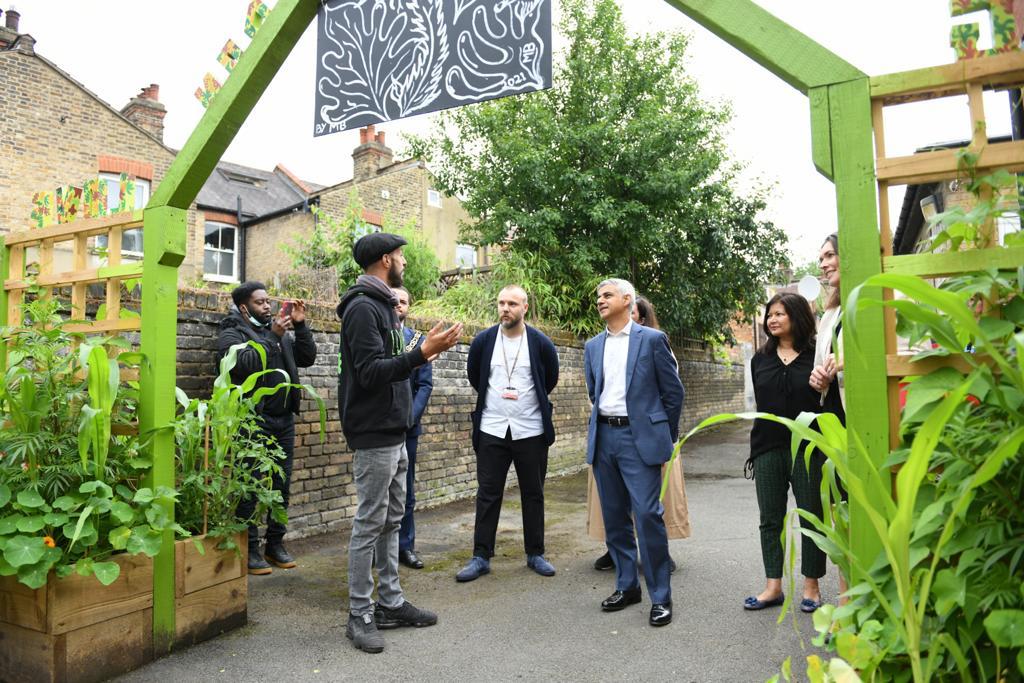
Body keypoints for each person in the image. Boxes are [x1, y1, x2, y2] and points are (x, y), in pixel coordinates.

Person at [337, 232, 462, 654]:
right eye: (401, 256)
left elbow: (393, 364)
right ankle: (360, 613)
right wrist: (420, 354)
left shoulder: (386, 307)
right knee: (369, 524)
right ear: (386, 259)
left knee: (392, 520)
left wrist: (423, 350)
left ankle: (390, 603)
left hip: (395, 431)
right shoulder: (361, 308)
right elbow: (371, 372)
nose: (404, 261)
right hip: (373, 432)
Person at [584, 279, 684, 627]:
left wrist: (663, 437)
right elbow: (594, 392)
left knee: (647, 515)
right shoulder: (592, 346)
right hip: (604, 439)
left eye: (607, 295)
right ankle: (627, 586)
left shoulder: (652, 340)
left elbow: (673, 393)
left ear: (627, 300)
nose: (601, 300)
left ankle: (660, 596)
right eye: (599, 296)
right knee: (614, 519)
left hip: (638, 439)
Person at [455, 285, 560, 582]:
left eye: (512, 303)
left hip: (530, 429)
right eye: (501, 302)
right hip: (492, 428)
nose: (505, 308)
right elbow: (475, 376)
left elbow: (548, 379)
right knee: (487, 493)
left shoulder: (541, 343)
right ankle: (480, 556)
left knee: (533, 492)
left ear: (525, 308)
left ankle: (535, 553)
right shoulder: (484, 341)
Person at [217, 282, 317, 575]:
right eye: (260, 302)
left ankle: (276, 544)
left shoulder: (280, 333)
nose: (267, 306)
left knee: (280, 484)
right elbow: (240, 366)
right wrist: (273, 336)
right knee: (251, 485)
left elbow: (307, 358)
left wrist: (300, 327)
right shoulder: (232, 333)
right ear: (245, 307)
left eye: (268, 301)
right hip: (252, 421)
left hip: (284, 420)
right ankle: (250, 548)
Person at [744, 292, 825, 612]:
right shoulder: (760, 359)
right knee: (770, 519)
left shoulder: (816, 356)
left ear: (797, 317)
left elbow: (827, 405)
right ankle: (773, 586)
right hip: (767, 448)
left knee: (811, 518)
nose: (772, 320)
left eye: (780, 314)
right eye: (769, 314)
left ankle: (811, 586)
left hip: (807, 449)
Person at [809, 232, 849, 608]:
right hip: (831, 417)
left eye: (829, 255)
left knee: (865, 511)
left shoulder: (871, 300)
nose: (822, 263)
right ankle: (847, 603)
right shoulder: (829, 315)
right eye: (820, 258)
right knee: (840, 513)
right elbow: (821, 370)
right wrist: (819, 377)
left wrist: (846, 363)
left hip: (860, 418)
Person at [393, 286, 433, 570]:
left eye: (403, 301)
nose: (398, 305)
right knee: (379, 493)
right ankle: (378, 549)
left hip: (408, 429)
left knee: (405, 491)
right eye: (393, 300)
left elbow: (425, 385)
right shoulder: (375, 335)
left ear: (409, 306)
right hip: (379, 428)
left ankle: (405, 547)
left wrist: (410, 417)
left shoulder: (419, 340)